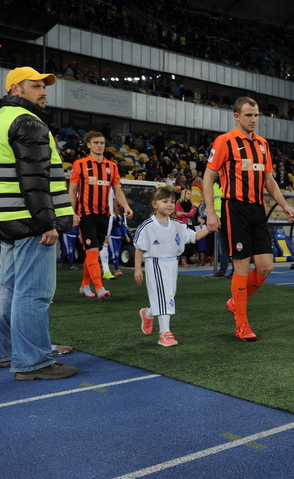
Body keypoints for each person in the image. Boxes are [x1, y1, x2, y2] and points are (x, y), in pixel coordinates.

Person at [0, 66, 77, 379]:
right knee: (33, 293)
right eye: (35, 86)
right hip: (29, 221)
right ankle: (33, 361)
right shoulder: (27, 121)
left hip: (6, 217)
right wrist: (46, 223)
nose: (43, 91)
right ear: (16, 89)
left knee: (8, 288)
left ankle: (7, 352)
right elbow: (35, 180)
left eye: (43, 86)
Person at [202, 97, 294, 341]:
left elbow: (268, 180)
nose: (253, 120)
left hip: (257, 209)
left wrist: (284, 204)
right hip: (234, 208)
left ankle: (236, 301)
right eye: (248, 115)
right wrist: (210, 212)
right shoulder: (225, 141)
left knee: (265, 267)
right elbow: (208, 176)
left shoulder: (263, 144)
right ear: (236, 116)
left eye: (256, 115)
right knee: (242, 267)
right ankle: (241, 325)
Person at [133, 186, 210, 347]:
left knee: (168, 296)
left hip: (172, 263)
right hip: (155, 262)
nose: (169, 204)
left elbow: (193, 236)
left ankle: (148, 314)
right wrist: (138, 269)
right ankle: (164, 333)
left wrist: (209, 229)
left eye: (172, 202)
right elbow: (139, 248)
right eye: (165, 201)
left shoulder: (177, 225)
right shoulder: (147, 225)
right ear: (155, 204)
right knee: (164, 296)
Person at [69, 132, 133, 300]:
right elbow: (73, 190)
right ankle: (99, 287)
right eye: (96, 142)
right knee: (92, 250)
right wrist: (72, 212)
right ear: (88, 145)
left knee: (94, 251)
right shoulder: (80, 164)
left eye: (102, 143)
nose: (99, 145)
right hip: (86, 214)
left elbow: (117, 190)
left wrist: (126, 206)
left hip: (104, 215)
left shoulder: (112, 166)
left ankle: (84, 285)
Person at [174, 188, 197, 266]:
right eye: (188, 194)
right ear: (184, 194)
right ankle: (180, 258)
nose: (190, 195)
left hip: (189, 224)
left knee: (190, 241)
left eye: (190, 194)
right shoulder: (178, 203)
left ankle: (186, 257)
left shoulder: (192, 204)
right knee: (182, 241)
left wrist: (183, 213)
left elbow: (192, 214)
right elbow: (177, 214)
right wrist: (187, 213)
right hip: (181, 224)